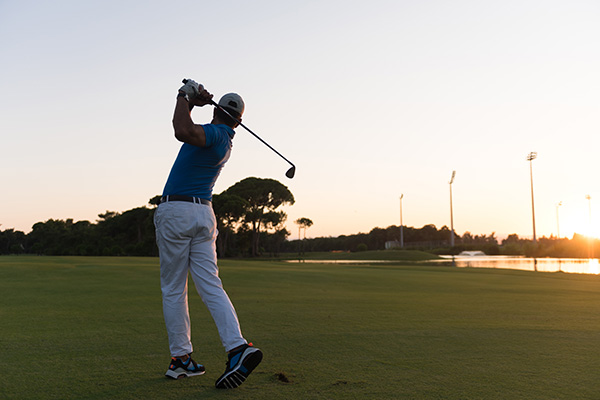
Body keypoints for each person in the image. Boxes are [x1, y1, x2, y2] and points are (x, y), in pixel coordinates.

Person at [154, 79, 262, 389]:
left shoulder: (214, 133)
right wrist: (192, 102)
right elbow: (189, 127)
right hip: (203, 214)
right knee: (211, 285)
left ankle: (181, 359)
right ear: (238, 121)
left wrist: (183, 95)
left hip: (178, 212)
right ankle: (237, 347)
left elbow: (181, 130)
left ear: (217, 111)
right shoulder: (224, 138)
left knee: (174, 289)